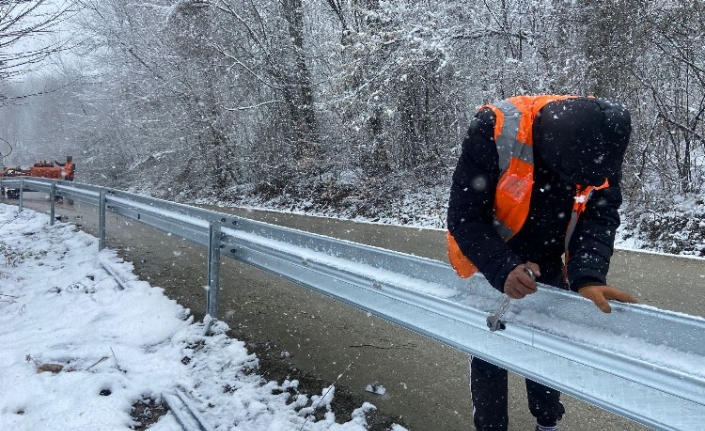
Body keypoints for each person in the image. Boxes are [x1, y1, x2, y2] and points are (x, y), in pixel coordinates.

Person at [446, 95, 638, 431]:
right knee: (490, 351)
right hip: (490, 256)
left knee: (544, 348)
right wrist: (502, 267)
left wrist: (588, 274)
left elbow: (600, 213)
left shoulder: (601, 139)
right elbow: (464, 216)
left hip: (547, 258)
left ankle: (547, 423)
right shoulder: (496, 128)